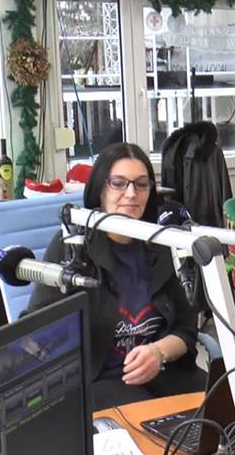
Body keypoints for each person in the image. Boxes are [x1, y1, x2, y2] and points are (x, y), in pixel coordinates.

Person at [24, 142, 205, 410]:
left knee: (227, 412)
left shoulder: (166, 243)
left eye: (141, 184)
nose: (131, 194)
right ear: (100, 189)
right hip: (101, 380)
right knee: (156, 429)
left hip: (165, 372)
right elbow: (36, 329)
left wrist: (158, 352)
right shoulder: (72, 246)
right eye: (118, 183)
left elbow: (186, 330)